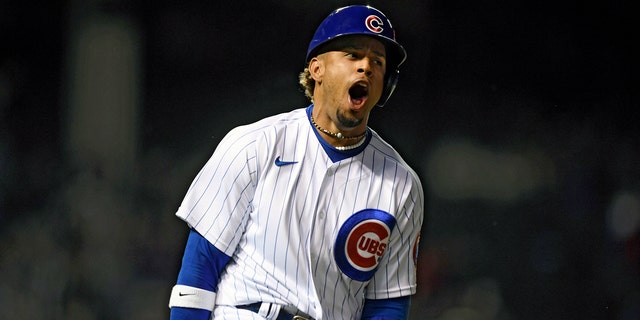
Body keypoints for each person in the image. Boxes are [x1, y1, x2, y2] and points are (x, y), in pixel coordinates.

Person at [168, 5, 424, 320]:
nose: (366, 68)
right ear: (317, 69)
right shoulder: (253, 145)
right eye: (353, 56)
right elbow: (199, 268)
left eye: (378, 61)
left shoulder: (401, 183)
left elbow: (387, 305)